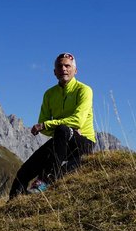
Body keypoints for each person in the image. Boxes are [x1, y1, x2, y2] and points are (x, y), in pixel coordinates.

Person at [9, 52, 96, 199]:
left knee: (63, 130)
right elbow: (45, 128)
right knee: (23, 173)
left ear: (75, 71)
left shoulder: (84, 90)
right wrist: (49, 126)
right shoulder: (49, 94)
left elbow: (77, 121)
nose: (63, 69)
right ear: (54, 72)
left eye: (67, 66)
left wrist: (49, 125)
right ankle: (11, 205)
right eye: (60, 66)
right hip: (60, 140)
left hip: (82, 142)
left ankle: (45, 182)